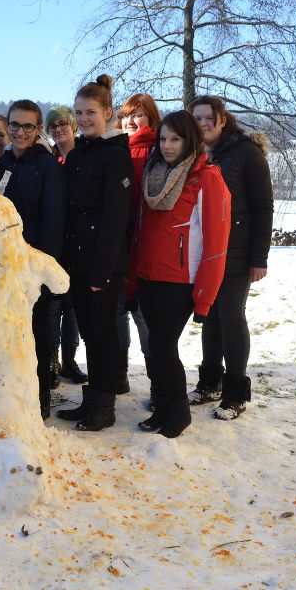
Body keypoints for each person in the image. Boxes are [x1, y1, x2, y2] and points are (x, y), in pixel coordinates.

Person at [128, 110, 230, 438]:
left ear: (190, 140)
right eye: (163, 139)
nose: (168, 146)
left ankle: (179, 413)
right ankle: (165, 408)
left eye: (176, 139)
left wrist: (204, 298)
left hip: (180, 279)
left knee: (162, 345)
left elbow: (216, 242)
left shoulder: (206, 177)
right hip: (148, 274)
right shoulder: (153, 172)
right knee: (156, 348)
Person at [187, 95, 274, 420]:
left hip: (237, 253)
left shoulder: (246, 153)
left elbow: (263, 206)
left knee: (231, 317)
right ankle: (210, 384)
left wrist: (259, 257)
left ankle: (236, 393)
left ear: (222, 119)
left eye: (208, 117)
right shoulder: (197, 154)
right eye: (196, 118)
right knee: (208, 316)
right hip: (205, 252)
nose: (203, 123)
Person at [56, 75, 133, 432]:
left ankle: (104, 406)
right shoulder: (80, 153)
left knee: (102, 335)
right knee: (90, 333)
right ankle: (92, 400)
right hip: (77, 261)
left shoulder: (115, 155)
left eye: (90, 112)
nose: (83, 118)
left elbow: (116, 218)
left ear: (109, 113)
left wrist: (103, 272)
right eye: (78, 112)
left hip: (101, 265)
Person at [0, 100, 65, 420]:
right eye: (14, 125)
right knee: (8, 334)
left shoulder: (47, 166)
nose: (20, 132)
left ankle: (39, 397)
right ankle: (9, 395)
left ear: (38, 130)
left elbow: (54, 220)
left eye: (27, 126)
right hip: (3, 266)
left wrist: (40, 269)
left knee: (35, 334)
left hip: (32, 267)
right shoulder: (2, 163)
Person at [115, 93, 161, 403]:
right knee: (116, 312)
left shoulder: (159, 151)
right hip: (116, 245)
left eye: (139, 115)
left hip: (145, 246)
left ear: (151, 119)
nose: (132, 121)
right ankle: (118, 376)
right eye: (128, 115)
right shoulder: (114, 149)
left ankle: (158, 381)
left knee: (145, 316)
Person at [43, 105, 87, 388]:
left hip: (79, 240)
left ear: (72, 124)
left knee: (72, 308)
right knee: (53, 306)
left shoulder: (84, 155)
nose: (59, 130)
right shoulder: (49, 160)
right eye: (53, 126)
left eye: (63, 124)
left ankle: (70, 360)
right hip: (55, 241)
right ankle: (52, 360)